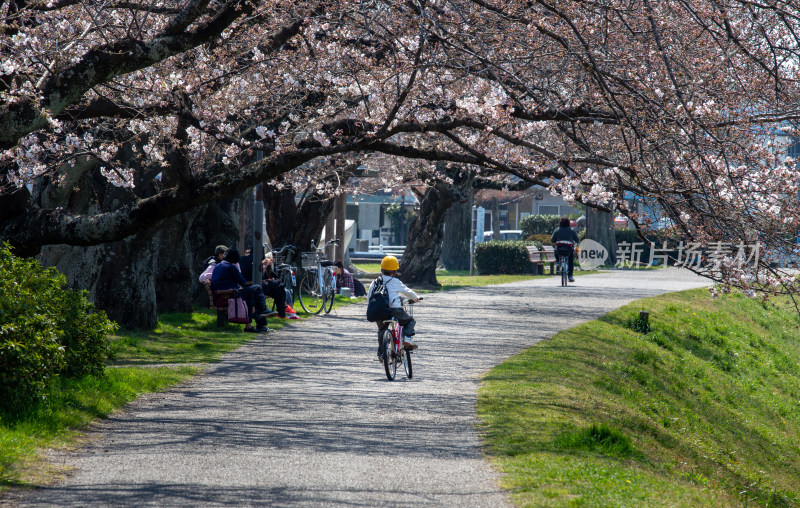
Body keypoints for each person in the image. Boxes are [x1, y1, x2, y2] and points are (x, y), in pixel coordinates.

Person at [210, 248, 276, 333]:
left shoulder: (219, 265)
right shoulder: (231, 267)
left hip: (221, 295)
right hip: (229, 295)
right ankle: (262, 312)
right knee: (256, 288)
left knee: (251, 294)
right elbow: (243, 282)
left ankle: (253, 325)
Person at [368, 255, 420, 360]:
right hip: (394, 310)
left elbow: (369, 296)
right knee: (410, 321)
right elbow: (408, 292)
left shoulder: (375, 282)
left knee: (382, 330)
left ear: (382, 269)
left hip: (379, 311)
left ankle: (381, 354)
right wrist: (415, 298)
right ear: (395, 271)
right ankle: (407, 338)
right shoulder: (395, 281)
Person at [551, 217, 580, 282]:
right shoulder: (572, 230)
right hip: (569, 249)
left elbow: (552, 240)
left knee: (556, 250)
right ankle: (570, 276)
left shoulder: (557, 230)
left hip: (559, 249)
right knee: (570, 261)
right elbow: (577, 240)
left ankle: (558, 262)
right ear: (568, 223)